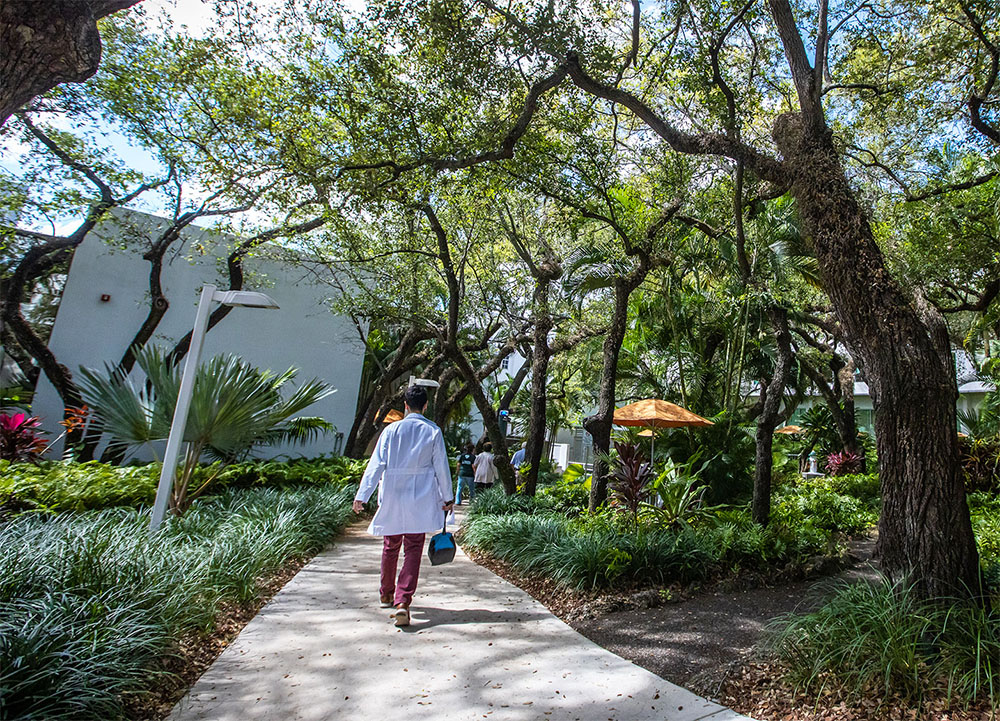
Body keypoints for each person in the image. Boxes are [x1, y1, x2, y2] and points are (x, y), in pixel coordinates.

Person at [353, 385, 454, 627]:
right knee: (413, 547)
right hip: (420, 495)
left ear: (405, 406)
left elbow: (376, 464)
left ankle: (386, 593)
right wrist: (447, 498)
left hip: (393, 494)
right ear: (426, 405)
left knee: (390, 544)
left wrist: (362, 495)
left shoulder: (391, 430)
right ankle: (403, 601)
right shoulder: (433, 431)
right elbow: (441, 467)